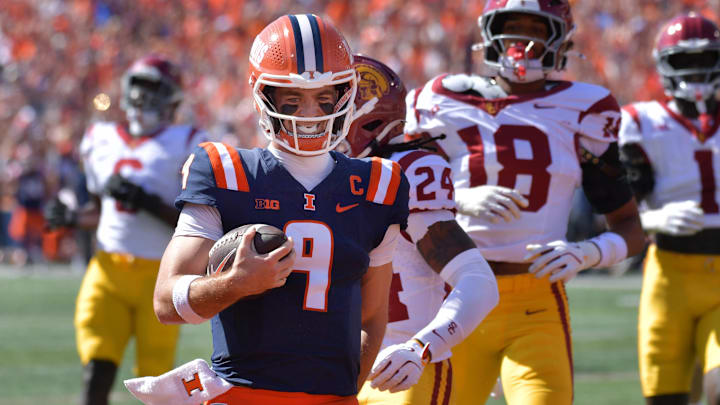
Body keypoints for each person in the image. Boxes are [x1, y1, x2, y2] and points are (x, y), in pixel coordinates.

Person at [148, 14, 409, 405]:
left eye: (324, 97)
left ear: (345, 94)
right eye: (293, 98)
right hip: (242, 395)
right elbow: (165, 302)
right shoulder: (226, 171)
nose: (308, 115)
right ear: (263, 96)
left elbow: (372, 318)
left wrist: (340, 394)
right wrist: (234, 284)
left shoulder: (378, 185)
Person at [403, 1, 645, 404]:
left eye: (536, 30)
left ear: (560, 39)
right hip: (453, 294)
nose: (522, 42)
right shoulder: (440, 99)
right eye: (512, 29)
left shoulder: (586, 107)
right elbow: (393, 194)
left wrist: (589, 252)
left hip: (537, 299)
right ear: (489, 33)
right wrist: (456, 200)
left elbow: (629, 227)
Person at [44, 55, 206, 405]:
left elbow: (197, 222)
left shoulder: (189, 140)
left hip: (160, 277)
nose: (143, 95)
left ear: (172, 96)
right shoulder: (100, 138)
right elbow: (103, 213)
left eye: (153, 86)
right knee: (96, 371)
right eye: (139, 85)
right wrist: (72, 218)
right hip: (107, 272)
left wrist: (146, 202)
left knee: (156, 384)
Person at [341, 54, 499, 404]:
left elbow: (479, 282)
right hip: (335, 369)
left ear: (367, 122)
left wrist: (421, 347)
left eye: (326, 111)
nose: (310, 122)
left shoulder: (407, 174)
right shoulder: (311, 178)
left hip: (401, 371)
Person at [618, 13, 720, 405]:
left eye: (704, 60)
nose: (695, 71)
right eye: (684, 62)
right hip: (669, 274)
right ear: (665, 66)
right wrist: (654, 218)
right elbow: (617, 206)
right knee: (666, 399)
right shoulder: (642, 122)